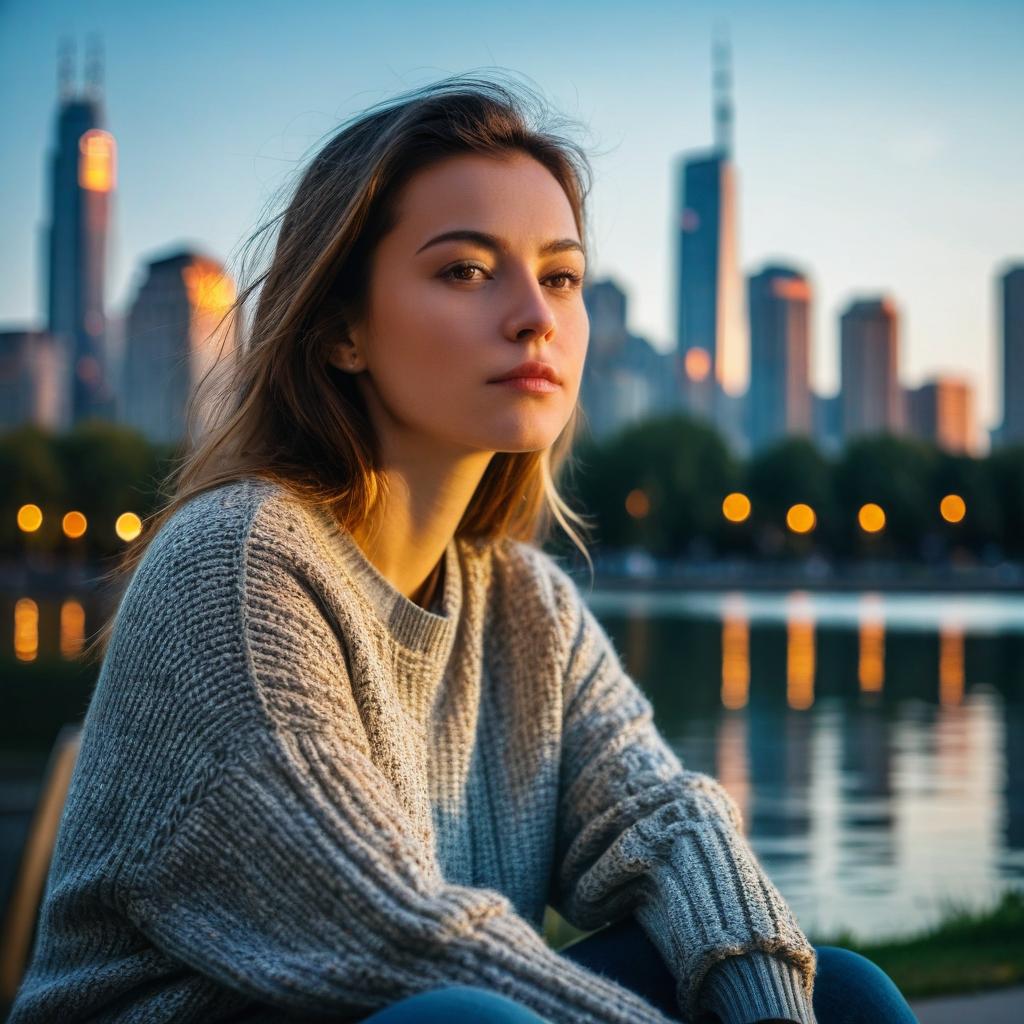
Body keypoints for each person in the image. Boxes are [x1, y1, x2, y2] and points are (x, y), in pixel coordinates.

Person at [9, 74, 919, 1024]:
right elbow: (392, 932)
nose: (536, 315)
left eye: (560, 277)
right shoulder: (237, 565)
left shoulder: (523, 599)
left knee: (838, 991)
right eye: (466, 271)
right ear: (342, 331)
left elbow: (664, 823)